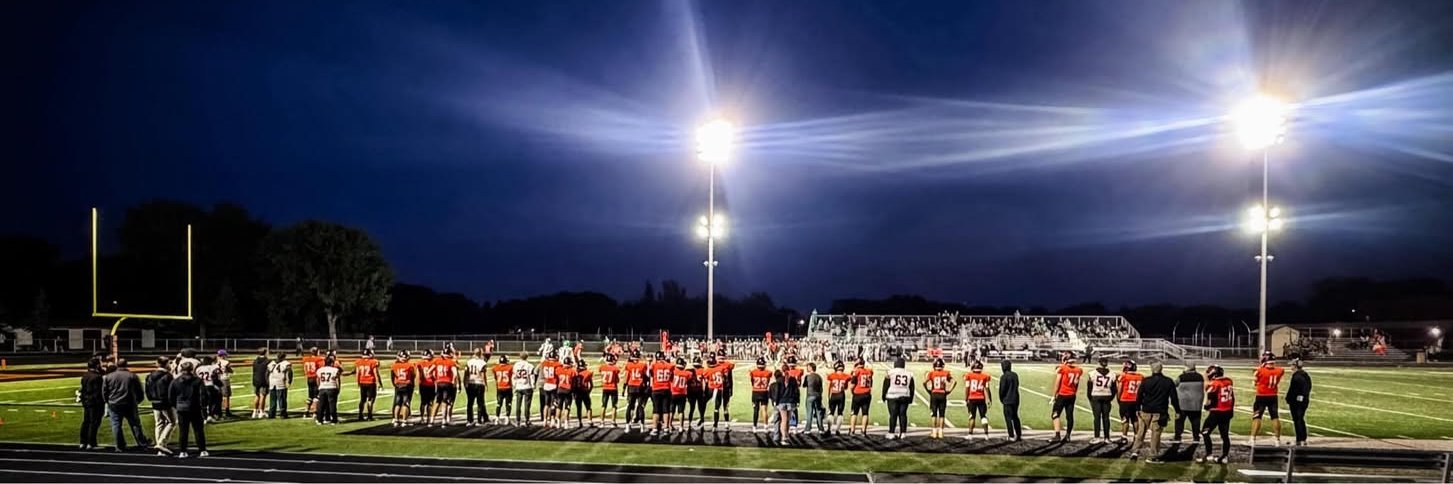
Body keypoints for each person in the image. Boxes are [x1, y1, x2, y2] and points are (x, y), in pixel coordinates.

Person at [1130, 362, 1176, 462]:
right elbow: (1174, 398)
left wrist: (1138, 408)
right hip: (1160, 411)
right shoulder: (1168, 381)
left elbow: (1139, 395)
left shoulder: (1146, 381)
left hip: (1146, 410)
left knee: (1141, 432)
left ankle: (1135, 451)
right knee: (1155, 434)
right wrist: (1177, 410)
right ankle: (1153, 455)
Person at [104, 358, 152, 451]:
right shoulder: (132, 376)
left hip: (114, 403)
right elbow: (139, 390)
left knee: (116, 425)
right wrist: (138, 401)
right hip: (129, 403)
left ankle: (119, 445)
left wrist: (108, 401)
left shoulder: (109, 376)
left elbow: (105, 391)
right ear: (127, 365)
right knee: (135, 424)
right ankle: (141, 443)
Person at [170, 360, 206, 458]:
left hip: (181, 408)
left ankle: (183, 451)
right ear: (192, 369)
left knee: (183, 431)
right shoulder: (197, 380)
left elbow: (171, 396)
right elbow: (203, 395)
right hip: (195, 407)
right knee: (198, 430)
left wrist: (176, 405)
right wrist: (204, 407)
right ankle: (202, 450)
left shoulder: (175, 381)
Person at [1200, 364, 1235, 464]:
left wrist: (1206, 407)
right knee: (1225, 435)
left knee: (1205, 432)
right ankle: (1224, 456)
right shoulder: (1229, 381)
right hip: (1227, 411)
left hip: (1217, 412)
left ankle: (1209, 454)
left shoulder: (1215, 384)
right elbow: (1232, 397)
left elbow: (1211, 400)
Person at [1250, 351, 1285, 446]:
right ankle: (1277, 440)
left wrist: (1262, 365)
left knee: (1257, 417)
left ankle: (1253, 439)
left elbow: (1254, 382)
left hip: (1261, 396)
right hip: (1273, 396)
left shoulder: (1260, 371)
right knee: (1275, 417)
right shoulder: (1280, 371)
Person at [145, 357, 176, 455]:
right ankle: (162, 443)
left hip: (154, 401)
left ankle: (160, 448)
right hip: (165, 402)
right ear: (166, 364)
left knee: (159, 423)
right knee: (172, 422)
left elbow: (147, 389)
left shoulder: (150, 375)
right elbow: (171, 390)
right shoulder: (168, 376)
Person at [1051, 353, 1084, 442]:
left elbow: (1058, 382)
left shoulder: (1063, 368)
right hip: (1072, 395)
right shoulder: (1079, 370)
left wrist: (1054, 395)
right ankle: (1068, 436)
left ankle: (1057, 435)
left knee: (1055, 414)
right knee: (1069, 416)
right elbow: (1076, 383)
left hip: (1062, 394)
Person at [882, 357, 914, 440]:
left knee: (893, 415)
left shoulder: (890, 373)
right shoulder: (909, 374)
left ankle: (891, 432)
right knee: (903, 415)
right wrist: (911, 398)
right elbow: (912, 387)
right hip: (905, 395)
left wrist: (883, 396)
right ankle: (903, 433)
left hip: (892, 395)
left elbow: (886, 385)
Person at [1173, 363, 1204, 443]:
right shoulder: (1200, 377)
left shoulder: (1182, 377)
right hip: (1196, 404)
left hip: (1183, 404)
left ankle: (1177, 436)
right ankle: (1196, 437)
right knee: (1196, 421)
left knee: (1179, 421)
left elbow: (1174, 384)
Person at [78, 357, 105, 450]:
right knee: (94, 423)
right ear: (97, 365)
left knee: (86, 421)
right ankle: (91, 443)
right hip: (95, 402)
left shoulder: (85, 375)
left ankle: (83, 442)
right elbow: (98, 392)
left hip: (86, 401)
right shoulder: (97, 377)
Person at [1086, 358, 1115, 444]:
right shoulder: (1112, 374)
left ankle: (1097, 437)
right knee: (1106, 418)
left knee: (1097, 418)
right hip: (1107, 396)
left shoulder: (1092, 373)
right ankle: (1107, 437)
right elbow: (1114, 389)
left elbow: (1089, 387)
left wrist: (1090, 398)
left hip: (1096, 395)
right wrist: (1111, 397)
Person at [923, 358, 953, 439]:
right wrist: (949, 390)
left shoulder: (932, 373)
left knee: (934, 414)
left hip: (934, 394)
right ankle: (941, 432)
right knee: (942, 414)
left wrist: (928, 391)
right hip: (942, 394)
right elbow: (954, 381)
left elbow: (924, 382)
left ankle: (934, 432)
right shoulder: (946, 373)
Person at [963, 359, 993, 440]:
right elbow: (987, 388)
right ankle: (986, 435)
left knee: (972, 416)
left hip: (972, 398)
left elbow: (967, 388)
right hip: (981, 399)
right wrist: (989, 399)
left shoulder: (969, 375)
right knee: (983, 416)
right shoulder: (985, 376)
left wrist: (966, 399)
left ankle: (970, 434)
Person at [648, 351, 675, 436]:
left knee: (656, 410)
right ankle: (666, 428)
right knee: (665, 410)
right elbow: (671, 378)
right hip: (666, 389)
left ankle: (655, 428)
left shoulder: (654, 365)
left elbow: (649, 374)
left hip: (656, 389)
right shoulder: (670, 366)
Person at [1286, 359, 1312, 446]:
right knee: (1300, 419)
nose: (1291, 367)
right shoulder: (1305, 375)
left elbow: (1294, 390)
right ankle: (1302, 438)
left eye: (1292, 365)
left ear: (1295, 366)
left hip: (1297, 401)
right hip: (1303, 400)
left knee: (1298, 420)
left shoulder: (1297, 376)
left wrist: (1289, 398)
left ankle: (1299, 439)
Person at [1117, 360, 1144, 444]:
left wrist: (1118, 399)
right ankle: (1136, 437)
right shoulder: (1141, 377)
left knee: (1125, 419)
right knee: (1135, 419)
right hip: (1136, 401)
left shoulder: (1124, 376)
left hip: (1125, 400)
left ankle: (1124, 437)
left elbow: (1119, 390)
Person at [432, 350, 459, 427]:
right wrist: (454, 381)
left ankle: (431, 420)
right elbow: (456, 374)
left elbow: (431, 371)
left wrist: (436, 379)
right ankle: (445, 419)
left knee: (437, 401)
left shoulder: (437, 361)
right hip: (448, 383)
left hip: (439, 382)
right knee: (446, 402)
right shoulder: (451, 362)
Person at [623, 351, 648, 431]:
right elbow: (645, 377)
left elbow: (626, 378)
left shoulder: (628, 365)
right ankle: (642, 426)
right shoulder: (643, 365)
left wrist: (624, 388)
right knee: (640, 406)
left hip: (631, 387)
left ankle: (627, 425)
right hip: (640, 387)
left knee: (629, 406)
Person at [353, 349, 381, 421]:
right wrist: (378, 383)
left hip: (362, 382)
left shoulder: (358, 362)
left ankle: (360, 415)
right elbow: (375, 373)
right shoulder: (373, 361)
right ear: (369, 354)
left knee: (362, 400)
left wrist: (358, 382)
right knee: (370, 400)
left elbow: (357, 373)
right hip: (371, 382)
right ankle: (369, 416)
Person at [849, 358, 874, 435]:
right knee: (865, 413)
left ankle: (852, 430)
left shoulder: (857, 371)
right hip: (867, 394)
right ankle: (863, 431)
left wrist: (852, 392)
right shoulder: (869, 371)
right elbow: (871, 383)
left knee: (854, 413)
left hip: (857, 394)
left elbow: (852, 385)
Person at [776, 367, 800, 446]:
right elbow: (796, 391)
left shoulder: (779, 380)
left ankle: (784, 436)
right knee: (787, 420)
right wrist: (797, 401)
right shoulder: (792, 379)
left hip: (782, 401)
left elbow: (777, 392)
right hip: (790, 401)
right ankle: (786, 436)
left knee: (784, 420)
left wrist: (776, 402)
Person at [999, 360, 1022, 442]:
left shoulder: (1004, 377)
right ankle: (1018, 435)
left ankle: (1011, 435)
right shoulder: (1015, 375)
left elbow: (1002, 389)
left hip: (1007, 399)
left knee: (1008, 418)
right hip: (1015, 398)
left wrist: (1002, 398)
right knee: (1015, 417)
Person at [464, 348, 489, 426]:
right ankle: (479, 421)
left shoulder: (469, 362)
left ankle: (469, 420)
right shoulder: (482, 362)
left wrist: (465, 382)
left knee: (470, 403)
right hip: (479, 383)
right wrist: (485, 384)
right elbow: (483, 375)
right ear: (480, 353)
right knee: (480, 403)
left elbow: (466, 373)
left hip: (471, 383)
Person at [314, 355, 341, 425]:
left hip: (322, 388)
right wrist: (338, 388)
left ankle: (319, 420)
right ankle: (334, 420)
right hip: (331, 387)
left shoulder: (320, 370)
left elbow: (318, 380)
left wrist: (319, 386)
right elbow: (337, 380)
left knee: (321, 405)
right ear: (331, 363)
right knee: (332, 405)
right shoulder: (335, 370)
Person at [826, 360, 850, 435]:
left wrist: (828, 396)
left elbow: (829, 386)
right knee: (840, 413)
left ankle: (829, 429)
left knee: (831, 412)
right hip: (841, 395)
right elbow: (845, 387)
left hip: (834, 394)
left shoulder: (831, 375)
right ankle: (837, 430)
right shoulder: (846, 376)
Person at [713, 352, 736, 431]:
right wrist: (731, 389)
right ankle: (726, 425)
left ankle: (715, 426)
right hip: (725, 388)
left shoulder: (714, 365)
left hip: (717, 388)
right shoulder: (728, 365)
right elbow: (730, 378)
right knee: (725, 407)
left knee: (716, 407)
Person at [748, 357, 773, 432]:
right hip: (764, 392)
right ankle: (766, 426)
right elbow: (768, 380)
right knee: (764, 410)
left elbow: (752, 381)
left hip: (755, 392)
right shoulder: (768, 372)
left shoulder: (753, 372)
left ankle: (754, 427)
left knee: (756, 410)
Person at [511, 353, 536, 426]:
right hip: (527, 386)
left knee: (518, 404)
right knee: (527, 405)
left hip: (519, 386)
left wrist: (514, 385)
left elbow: (514, 376)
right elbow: (531, 377)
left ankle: (518, 420)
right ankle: (527, 420)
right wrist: (533, 385)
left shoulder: (516, 365)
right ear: (527, 357)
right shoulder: (530, 365)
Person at [538, 354, 562, 427]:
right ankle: (552, 420)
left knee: (546, 404)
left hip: (546, 384)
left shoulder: (544, 363)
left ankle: (545, 420)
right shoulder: (557, 364)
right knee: (553, 404)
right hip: (553, 385)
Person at [668, 358, 691, 432]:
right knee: (681, 411)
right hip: (682, 393)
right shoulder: (687, 373)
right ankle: (681, 427)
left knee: (671, 410)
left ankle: (669, 425)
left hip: (673, 393)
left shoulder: (673, 372)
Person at [598, 354, 621, 427]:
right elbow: (617, 380)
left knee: (603, 405)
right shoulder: (615, 368)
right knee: (614, 406)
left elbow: (601, 374)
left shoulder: (602, 367)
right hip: (613, 388)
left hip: (605, 388)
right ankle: (613, 422)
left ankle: (602, 422)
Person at [267, 353, 293, 419]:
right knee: (282, 399)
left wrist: (267, 381)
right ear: (284, 357)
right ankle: (283, 414)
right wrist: (289, 381)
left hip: (272, 382)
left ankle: (271, 414)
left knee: (272, 399)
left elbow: (267, 372)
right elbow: (290, 372)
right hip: (280, 382)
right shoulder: (286, 363)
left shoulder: (272, 363)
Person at [801, 362, 825, 435]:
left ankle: (808, 428)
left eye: (808, 367)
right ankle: (821, 428)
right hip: (818, 395)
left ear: (811, 368)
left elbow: (804, 385)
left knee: (809, 413)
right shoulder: (819, 377)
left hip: (810, 395)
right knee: (818, 412)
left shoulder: (808, 377)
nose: (807, 368)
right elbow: (821, 388)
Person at [300, 347, 323, 418]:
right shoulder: (318, 359)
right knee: (316, 396)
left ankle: (306, 411)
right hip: (315, 377)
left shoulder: (305, 359)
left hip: (309, 378)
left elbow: (305, 368)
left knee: (310, 395)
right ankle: (314, 412)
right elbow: (320, 369)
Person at [416, 349, 437, 425]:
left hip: (422, 385)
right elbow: (434, 375)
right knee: (430, 403)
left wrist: (417, 385)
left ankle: (422, 418)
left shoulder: (420, 363)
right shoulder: (434, 363)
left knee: (423, 402)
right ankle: (428, 418)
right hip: (431, 384)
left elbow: (418, 375)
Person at [555, 357, 577, 428]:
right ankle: (566, 423)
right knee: (567, 407)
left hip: (560, 389)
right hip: (568, 390)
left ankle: (558, 422)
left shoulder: (558, 369)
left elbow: (557, 375)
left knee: (559, 406)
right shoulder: (572, 371)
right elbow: (575, 379)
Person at [492, 355, 514, 425]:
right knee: (508, 404)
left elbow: (495, 377)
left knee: (499, 404)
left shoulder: (495, 368)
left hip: (500, 388)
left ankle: (497, 418)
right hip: (508, 387)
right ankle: (507, 418)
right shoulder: (510, 367)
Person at [250, 348, 270, 419]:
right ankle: (261, 411)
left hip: (256, 380)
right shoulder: (267, 361)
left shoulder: (255, 361)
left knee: (257, 395)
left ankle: (255, 411)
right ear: (265, 353)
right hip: (263, 380)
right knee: (262, 396)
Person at [574, 359, 594, 427]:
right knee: (588, 407)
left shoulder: (575, 373)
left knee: (579, 408)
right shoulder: (588, 373)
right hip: (585, 392)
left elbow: (573, 384)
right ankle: (590, 421)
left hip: (577, 392)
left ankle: (580, 422)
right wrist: (589, 391)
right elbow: (591, 385)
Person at [215, 350, 234, 418]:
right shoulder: (226, 362)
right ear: (223, 355)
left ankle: (218, 411)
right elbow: (231, 370)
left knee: (218, 396)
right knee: (226, 396)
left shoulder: (215, 362)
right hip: (224, 379)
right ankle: (227, 411)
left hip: (217, 379)